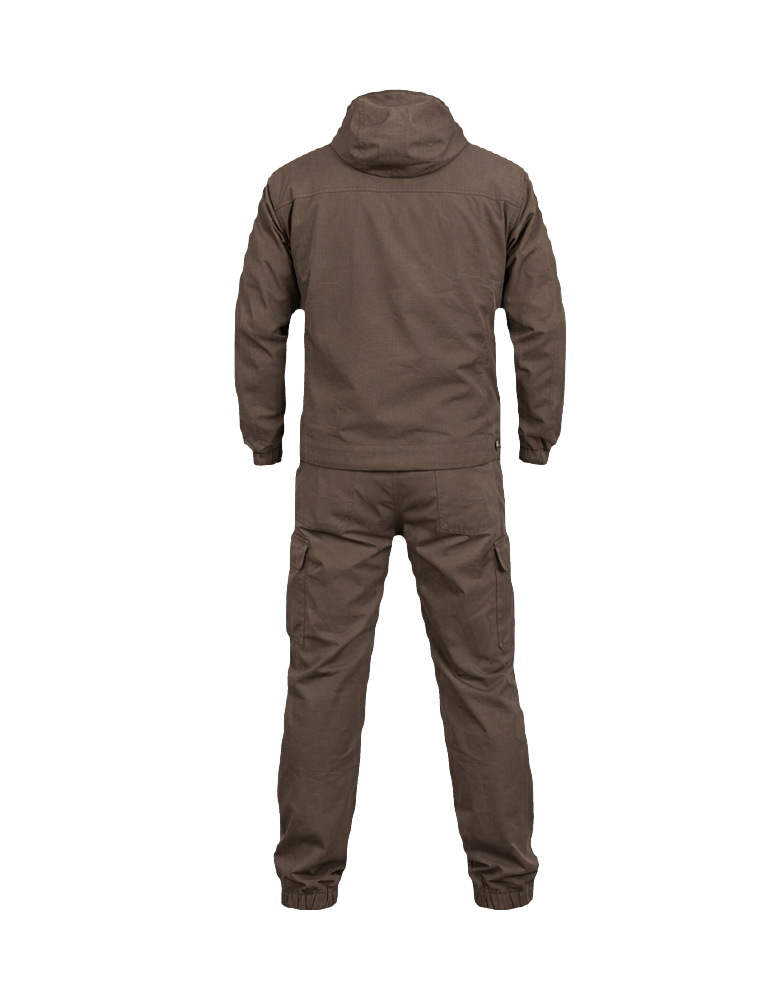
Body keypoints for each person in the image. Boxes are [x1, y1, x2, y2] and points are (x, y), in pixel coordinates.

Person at [234, 89, 566, 910]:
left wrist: (264, 435)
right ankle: (504, 882)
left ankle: (307, 884)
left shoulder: (295, 187)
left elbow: (259, 324)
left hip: (339, 474)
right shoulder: (501, 186)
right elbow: (539, 321)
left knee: (322, 676)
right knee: (482, 677)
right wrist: (537, 433)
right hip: (458, 475)